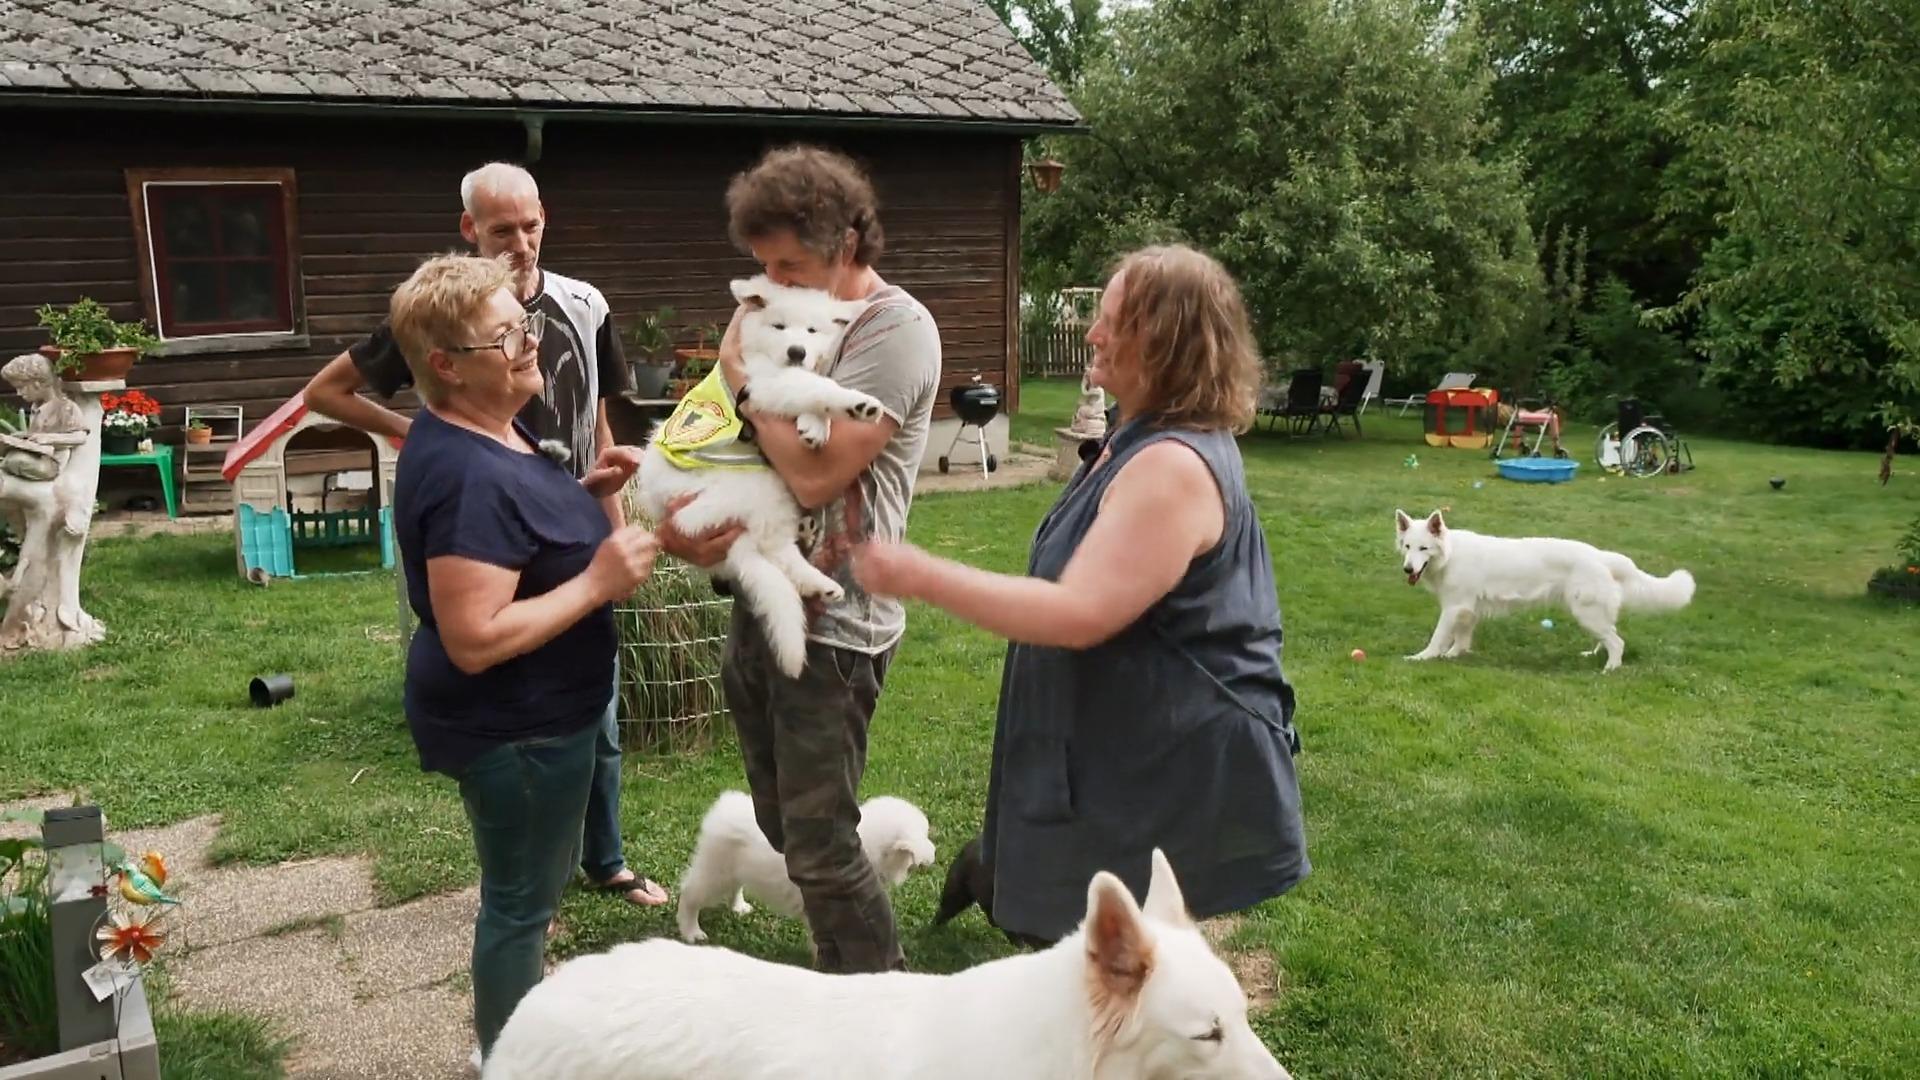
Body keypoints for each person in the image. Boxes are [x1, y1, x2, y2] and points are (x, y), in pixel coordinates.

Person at [852, 244, 1309, 944]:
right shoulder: (1140, 434)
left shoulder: (1172, 467)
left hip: (1170, 750)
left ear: (1166, 343)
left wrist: (916, 572)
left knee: (1114, 953)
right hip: (1125, 727)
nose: (1094, 334)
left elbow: (1077, 613)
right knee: (1087, 931)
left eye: (1112, 321)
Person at [300, 163, 668, 909]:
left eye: (532, 225)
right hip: (504, 545)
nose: (523, 242)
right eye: (504, 231)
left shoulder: (583, 305)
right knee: (527, 839)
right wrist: (423, 432)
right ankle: (540, 890)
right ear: (470, 229)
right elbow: (325, 392)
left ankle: (603, 858)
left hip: (564, 516)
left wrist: (605, 512)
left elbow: (595, 411)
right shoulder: (444, 321)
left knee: (599, 719)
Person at [657, 144, 941, 973]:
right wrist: (683, 518)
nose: (771, 282)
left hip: (840, 626)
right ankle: (841, 961)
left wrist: (745, 385)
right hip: (761, 594)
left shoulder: (896, 332)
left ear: (848, 242)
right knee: (784, 828)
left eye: (790, 263)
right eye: (762, 266)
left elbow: (816, 474)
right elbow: (719, 430)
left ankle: (879, 1004)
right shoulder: (769, 314)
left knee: (816, 842)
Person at [385, 253, 659, 1061]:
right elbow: (472, 638)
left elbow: (521, 532)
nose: (530, 344)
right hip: (520, 731)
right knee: (518, 909)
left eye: (525, 323)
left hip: (536, 722)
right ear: (446, 366)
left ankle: (518, 1034)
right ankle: (507, 1058)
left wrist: (585, 491)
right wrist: (599, 581)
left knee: (526, 887)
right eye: (505, 336)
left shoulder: (498, 424)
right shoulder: (467, 472)